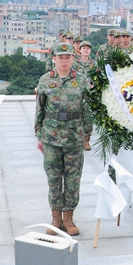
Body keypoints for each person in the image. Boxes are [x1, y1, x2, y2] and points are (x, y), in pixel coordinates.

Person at [35, 42, 91, 235]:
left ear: (73, 59)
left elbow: (87, 110)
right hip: (51, 137)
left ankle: (69, 218)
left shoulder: (82, 80)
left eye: (68, 57)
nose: (64, 60)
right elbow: (40, 109)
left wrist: (86, 134)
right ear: (54, 59)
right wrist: (39, 135)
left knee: (73, 179)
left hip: (74, 136)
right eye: (61, 57)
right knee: (53, 179)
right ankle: (56, 217)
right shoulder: (45, 80)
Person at [73, 40, 96, 151]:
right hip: (77, 93)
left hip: (89, 95)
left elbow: (98, 77)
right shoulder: (74, 63)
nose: (86, 50)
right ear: (80, 50)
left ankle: (86, 140)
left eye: (88, 48)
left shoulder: (94, 63)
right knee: (76, 116)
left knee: (88, 117)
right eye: (84, 48)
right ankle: (77, 139)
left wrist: (94, 86)